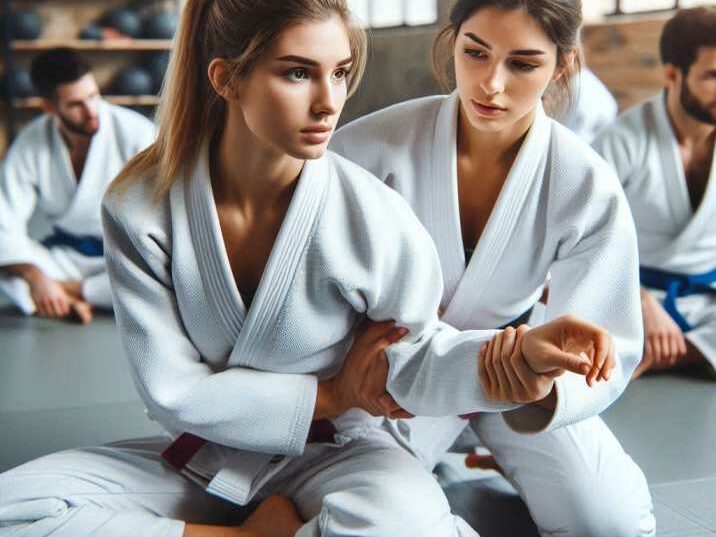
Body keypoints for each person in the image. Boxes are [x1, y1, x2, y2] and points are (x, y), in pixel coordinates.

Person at [0, 1, 613, 536]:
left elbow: (416, 356)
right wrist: (333, 390)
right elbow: (171, 389)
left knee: (406, 524)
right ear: (226, 78)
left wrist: (515, 359)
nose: (329, 102)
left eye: (341, 73)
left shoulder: (370, 212)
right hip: (209, 454)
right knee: (15, 510)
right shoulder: (140, 208)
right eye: (298, 73)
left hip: (342, 454)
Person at [331, 1, 655, 536]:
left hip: (516, 380)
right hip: (391, 380)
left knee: (610, 521)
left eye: (522, 64)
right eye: (475, 53)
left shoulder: (583, 183)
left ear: (563, 64)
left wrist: (543, 381)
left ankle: (505, 452)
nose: (491, 84)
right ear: (451, 42)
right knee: (374, 522)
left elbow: (606, 342)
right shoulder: (368, 148)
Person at [593, 7, 716, 378]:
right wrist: (641, 302)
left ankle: (661, 354)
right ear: (672, 74)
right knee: (577, 330)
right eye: (713, 75)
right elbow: (584, 242)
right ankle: (670, 349)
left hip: (708, 299)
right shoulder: (621, 141)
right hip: (635, 297)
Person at [0, 48, 155, 323]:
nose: (91, 110)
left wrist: (51, 283)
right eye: (76, 104)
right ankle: (72, 293)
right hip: (66, 258)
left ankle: (67, 293)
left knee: (163, 277)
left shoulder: (135, 132)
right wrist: (35, 276)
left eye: (93, 96)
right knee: (10, 270)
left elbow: (165, 214)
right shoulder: (31, 142)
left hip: (125, 257)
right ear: (49, 107)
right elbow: (4, 218)